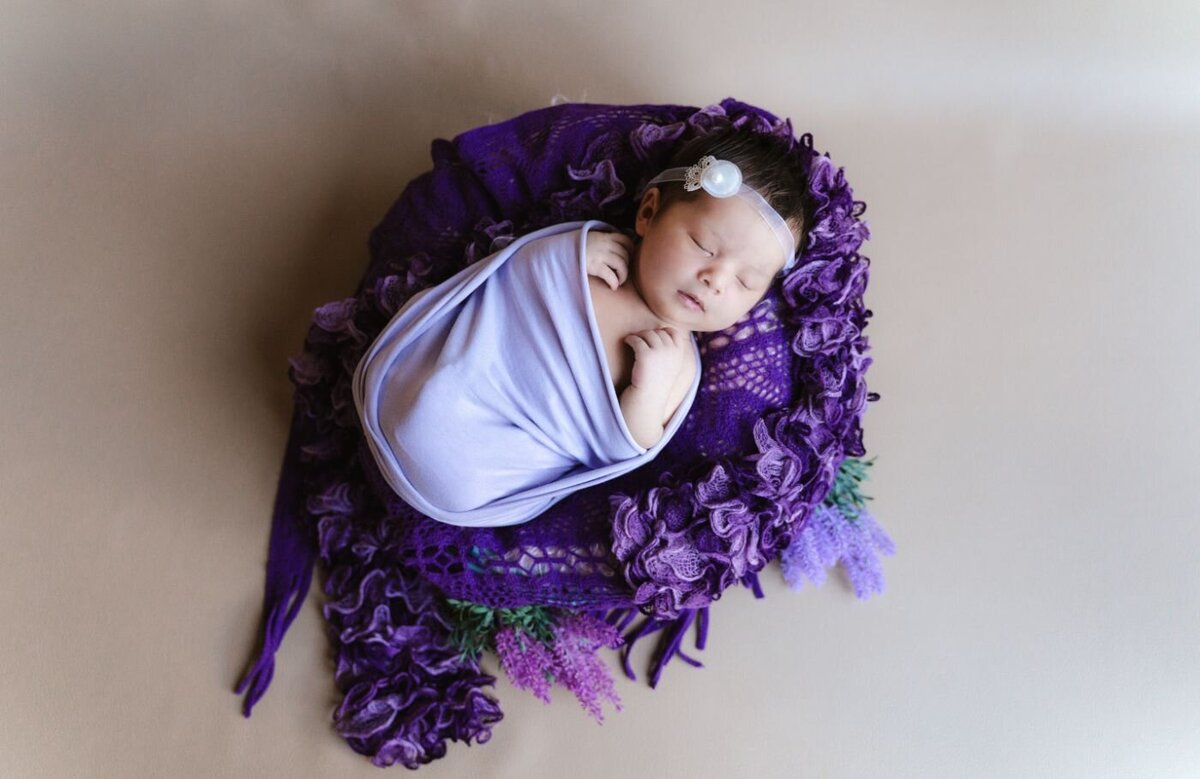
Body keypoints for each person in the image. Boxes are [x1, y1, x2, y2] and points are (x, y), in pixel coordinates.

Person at [352, 126, 808, 528]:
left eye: (746, 282)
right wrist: (560, 256)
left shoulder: (679, 366)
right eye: (703, 245)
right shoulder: (596, 249)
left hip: (481, 470)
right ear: (648, 213)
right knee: (436, 374)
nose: (716, 279)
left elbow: (626, 448)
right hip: (435, 383)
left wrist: (647, 394)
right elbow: (510, 280)